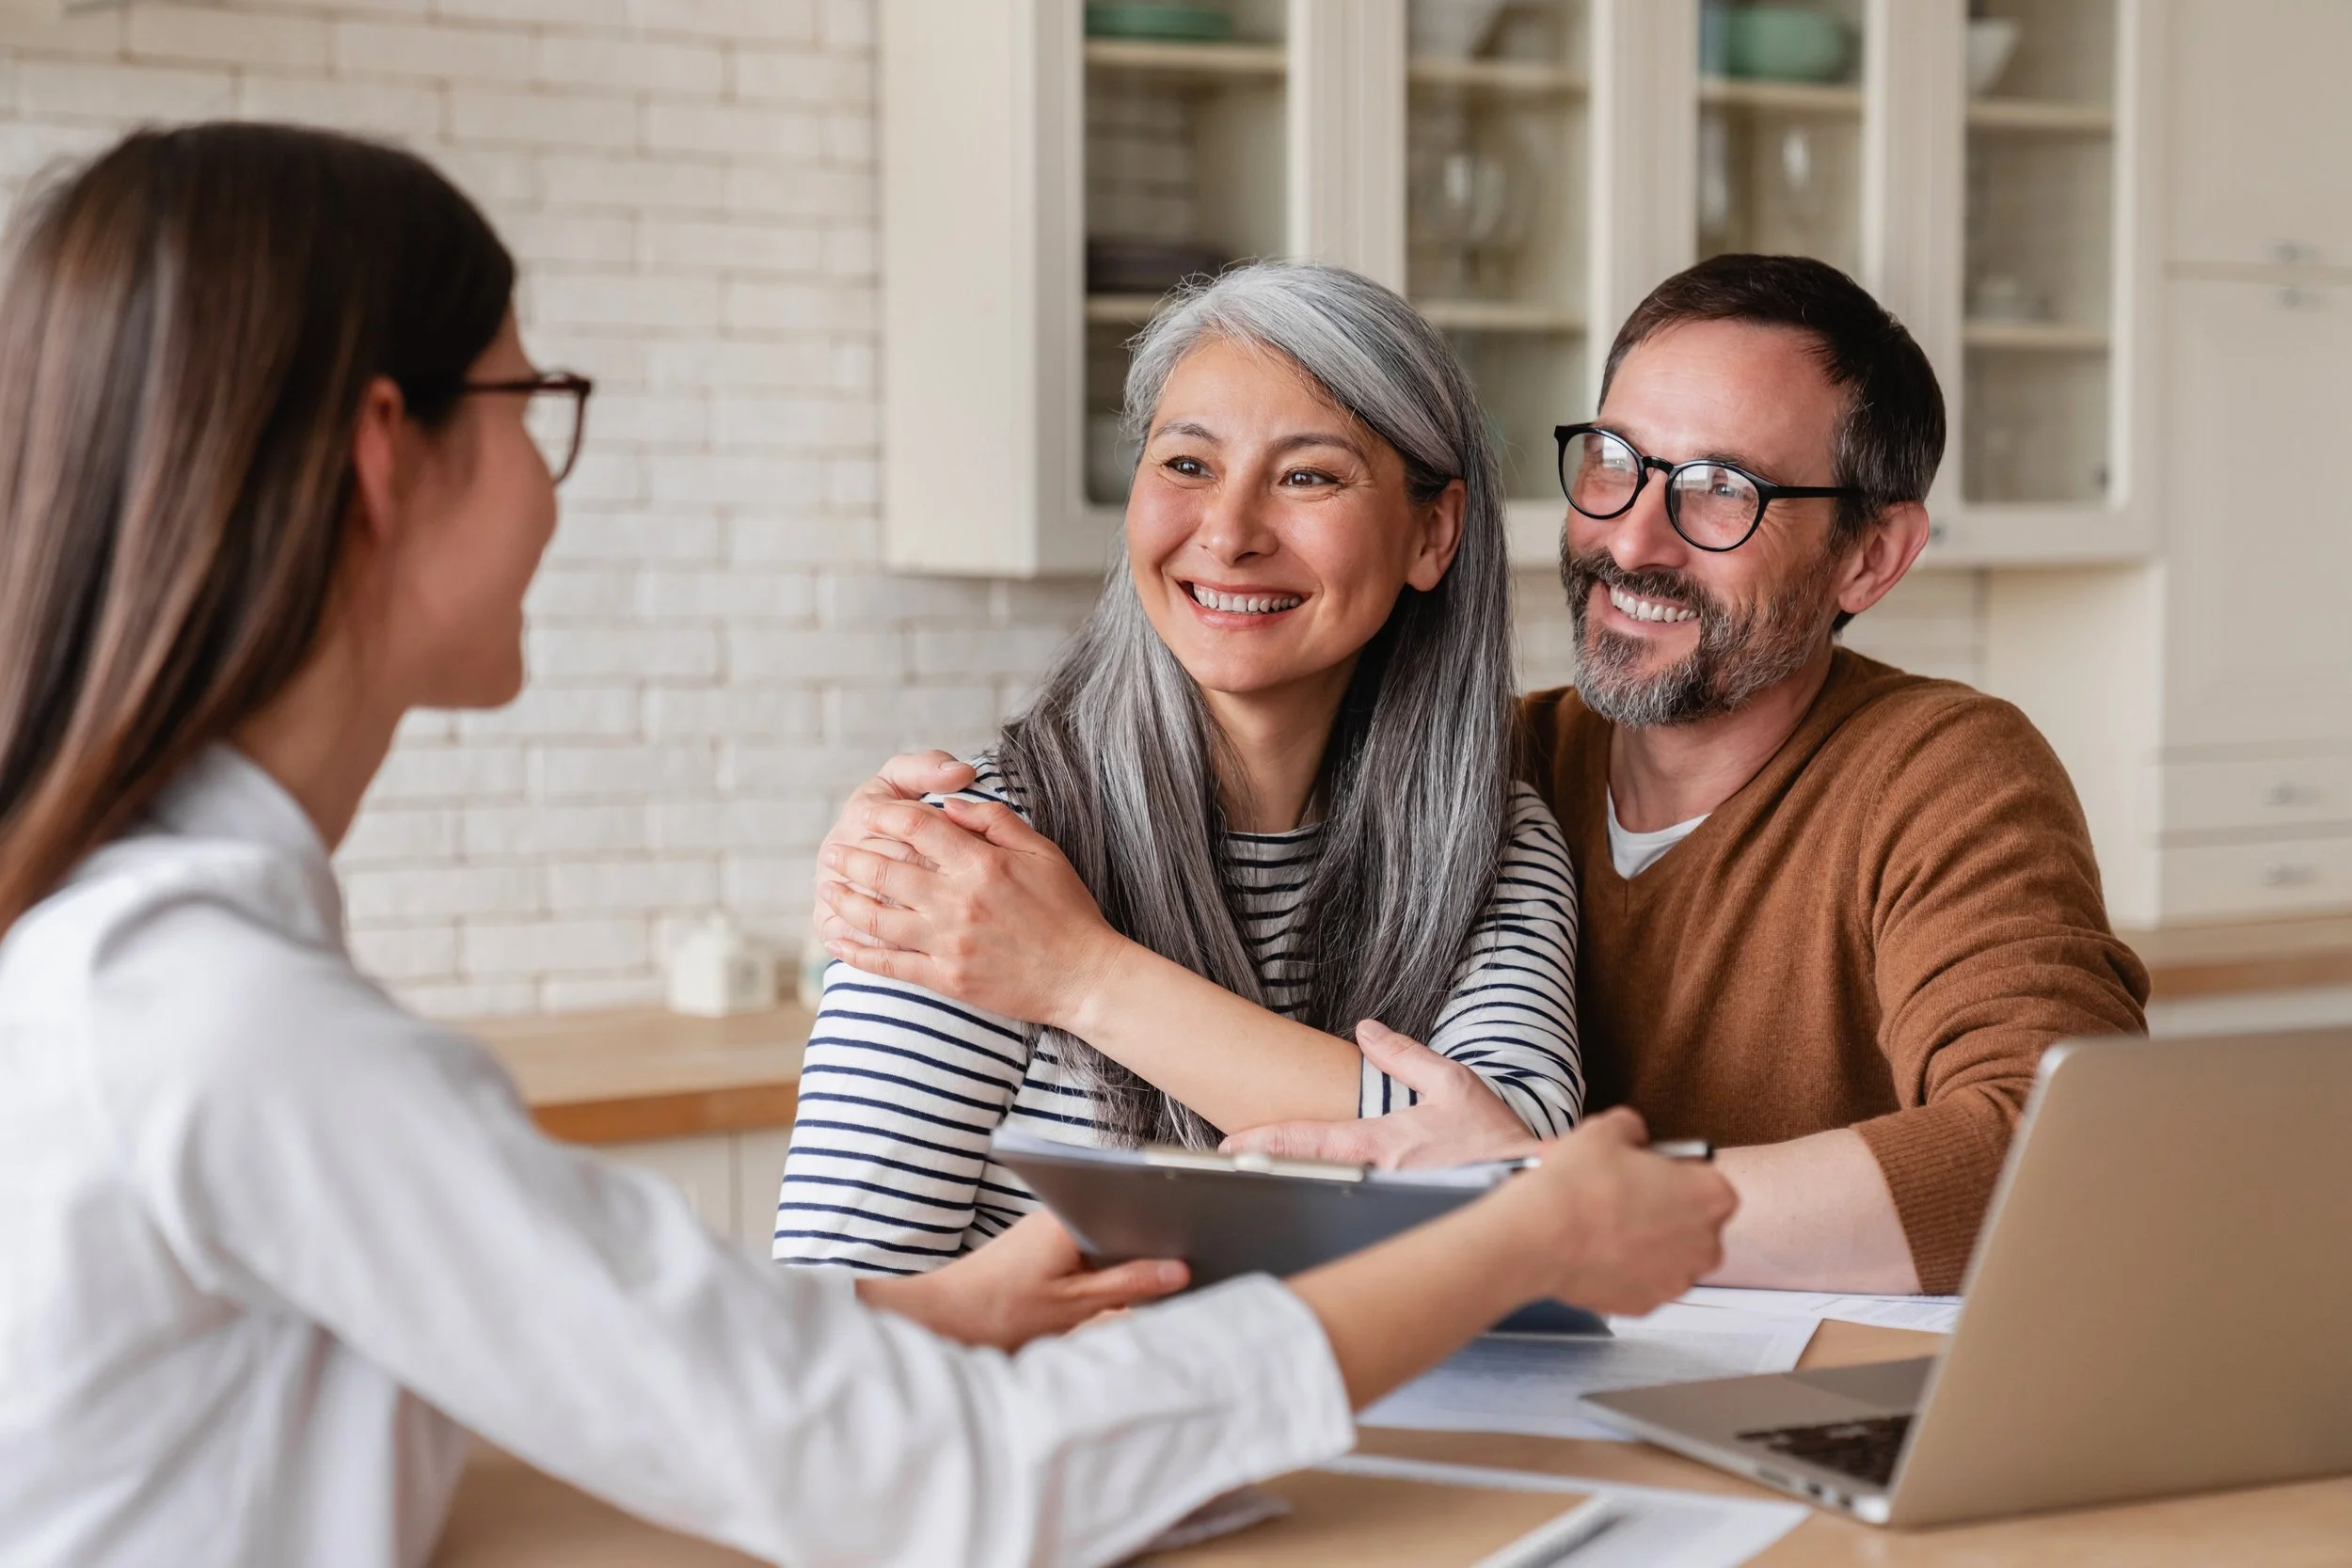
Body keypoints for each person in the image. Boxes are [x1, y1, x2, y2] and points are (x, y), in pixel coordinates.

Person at [0, 124, 1738, 1568]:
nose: (550, 478)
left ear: (1432, 530)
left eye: (1309, 476)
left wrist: (902, 1330)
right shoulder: (235, 1027)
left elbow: (613, 1389)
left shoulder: (163, 983)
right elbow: (915, 1475)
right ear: (389, 456)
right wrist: (1515, 1234)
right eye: (534, 399)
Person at [815, 255, 2148, 1299]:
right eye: (1616, 464)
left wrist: (1085, 975)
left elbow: (2060, 1153)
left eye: (1722, 490)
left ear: (1870, 558)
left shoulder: (1494, 815)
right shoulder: (1507, 773)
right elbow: (826, 1308)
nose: (1635, 536)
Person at [778, 261, 1582, 1273]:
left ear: (1433, 531)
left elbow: (1518, 1176)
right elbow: (834, 1316)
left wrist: (1081, 974)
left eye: (1307, 475)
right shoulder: (977, 861)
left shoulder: (1491, 836)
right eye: (1187, 464)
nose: (1229, 532)